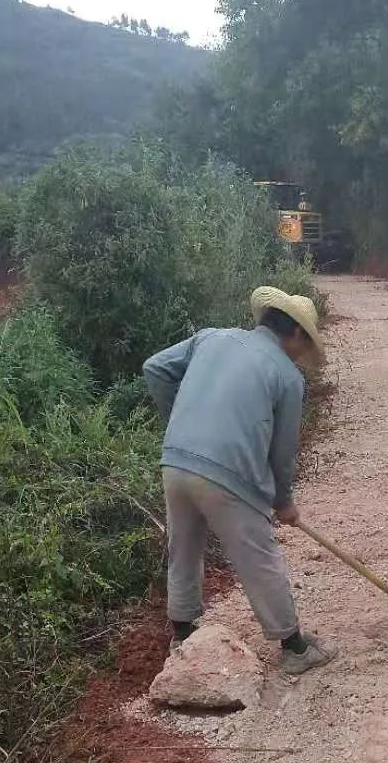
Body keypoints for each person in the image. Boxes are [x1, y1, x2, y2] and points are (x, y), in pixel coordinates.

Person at [143, 287, 336, 675]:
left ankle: (182, 634)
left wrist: (178, 421)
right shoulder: (287, 376)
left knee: (184, 545)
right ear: (297, 333)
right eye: (305, 342)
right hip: (229, 476)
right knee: (259, 556)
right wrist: (283, 500)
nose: (302, 352)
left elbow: (154, 368)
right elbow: (282, 453)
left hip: (176, 462)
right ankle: (294, 647)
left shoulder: (210, 337)